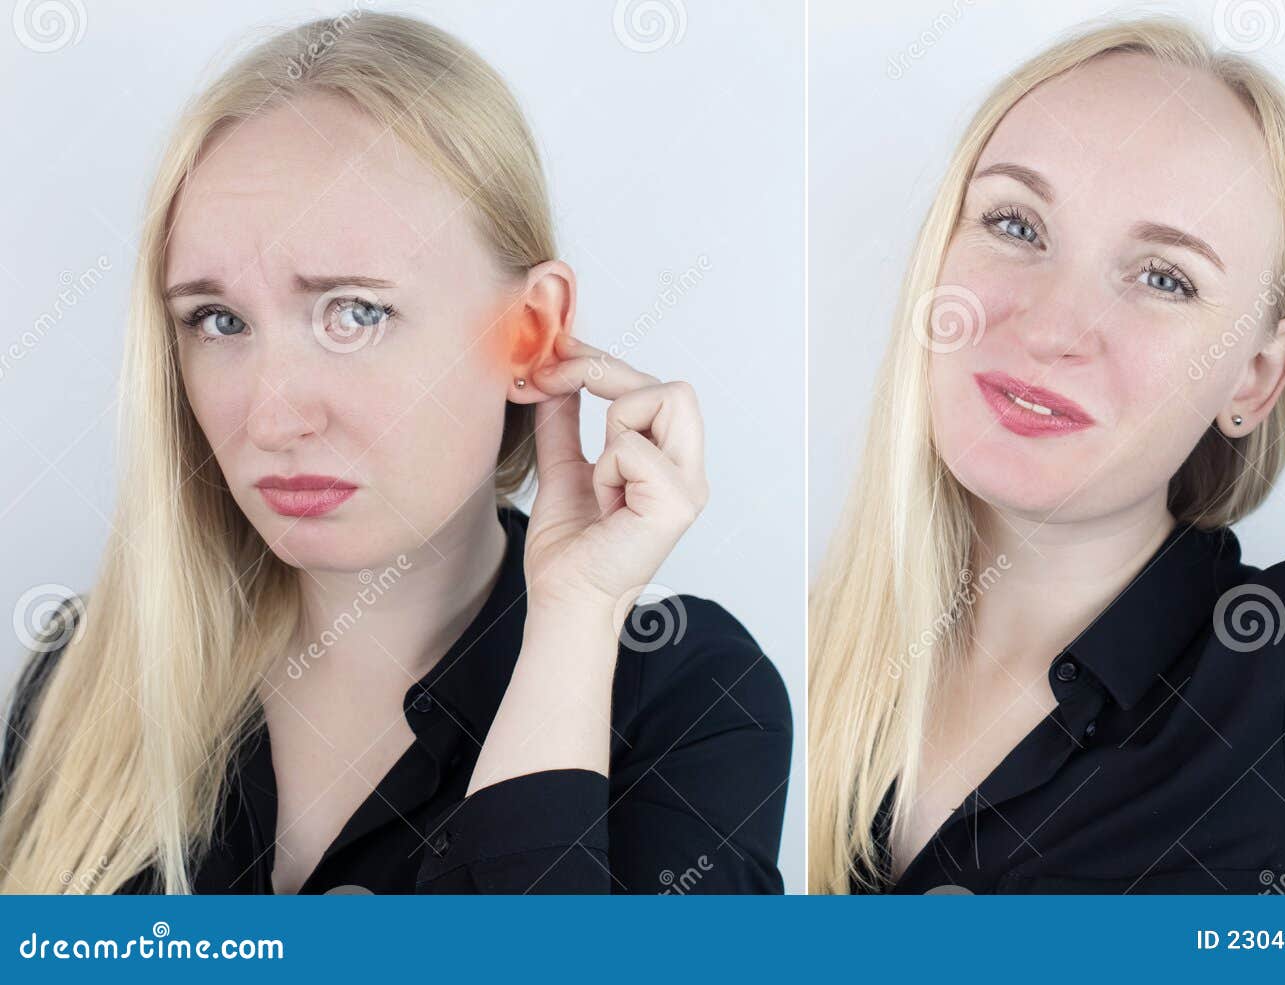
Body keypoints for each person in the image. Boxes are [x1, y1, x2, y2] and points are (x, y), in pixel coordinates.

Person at [0, 12, 790, 895]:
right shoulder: (84, 671)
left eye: (354, 313)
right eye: (218, 320)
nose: (272, 418)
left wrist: (574, 624)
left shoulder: (690, 699)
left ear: (532, 332)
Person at [807, 16, 1285, 894]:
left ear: (1256, 380)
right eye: (1016, 224)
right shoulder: (776, 662)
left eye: (1164, 277)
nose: (1051, 325)